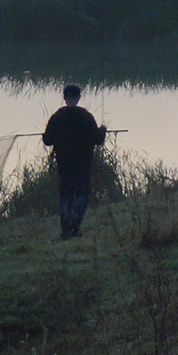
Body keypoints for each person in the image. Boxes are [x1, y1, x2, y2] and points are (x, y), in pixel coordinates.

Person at [42, 84, 107, 239]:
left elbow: (47, 140)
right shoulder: (86, 116)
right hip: (83, 164)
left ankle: (66, 229)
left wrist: (47, 136)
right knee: (82, 194)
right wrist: (103, 130)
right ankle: (75, 225)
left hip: (64, 164)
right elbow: (98, 140)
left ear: (65, 98)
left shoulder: (57, 116)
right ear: (78, 98)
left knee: (66, 195)